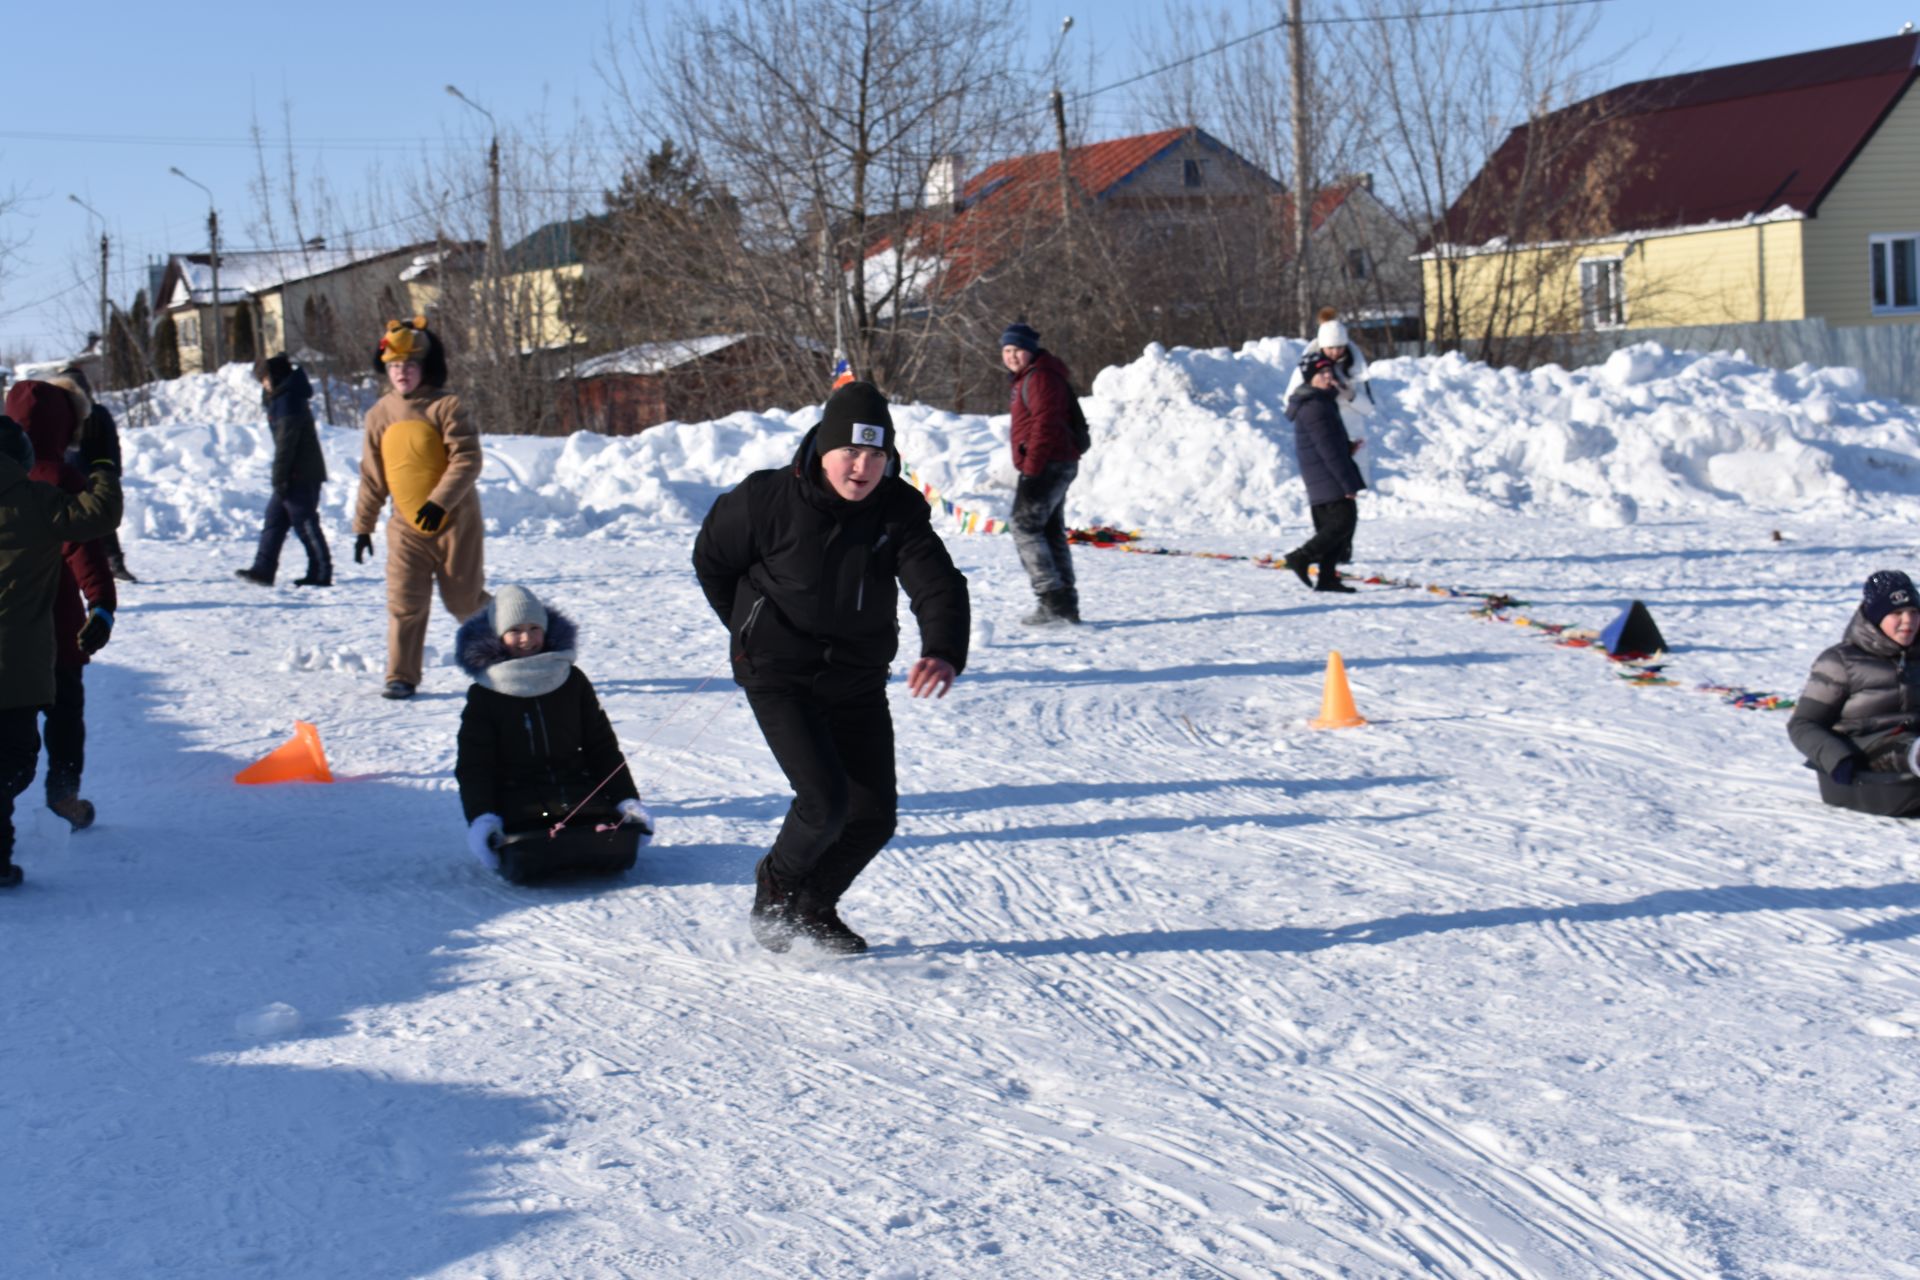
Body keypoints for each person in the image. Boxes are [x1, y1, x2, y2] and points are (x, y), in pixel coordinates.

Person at [692, 381, 970, 954]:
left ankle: (813, 905)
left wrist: (941, 648)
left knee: (873, 817)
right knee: (824, 803)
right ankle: (775, 886)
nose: (862, 466)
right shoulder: (764, 500)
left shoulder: (898, 512)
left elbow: (937, 584)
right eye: (851, 451)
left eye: (876, 455)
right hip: (778, 675)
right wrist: (747, 628)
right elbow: (713, 561)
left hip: (857, 678)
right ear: (822, 449)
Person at [455, 584, 653, 883]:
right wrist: (483, 817)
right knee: (529, 849)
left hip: (578, 797)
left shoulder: (571, 680)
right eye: (515, 630)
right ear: (498, 635)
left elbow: (601, 746)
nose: (526, 639)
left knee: (610, 841)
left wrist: (626, 800)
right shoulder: (486, 693)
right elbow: (475, 765)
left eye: (535, 628)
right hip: (516, 806)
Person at [0, 412, 123, 888]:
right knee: (13, 760)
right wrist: (103, 464)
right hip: (16, 668)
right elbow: (100, 515)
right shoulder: (37, 502)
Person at [351, 317, 488, 700]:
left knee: (464, 600)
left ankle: (513, 640)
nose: (402, 373)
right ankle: (401, 675)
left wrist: (439, 502)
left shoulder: (447, 406)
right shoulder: (379, 415)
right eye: (395, 367)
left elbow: (467, 460)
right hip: (406, 528)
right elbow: (373, 477)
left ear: (424, 367)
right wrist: (363, 526)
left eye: (409, 366)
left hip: (455, 524)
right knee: (404, 603)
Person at [1788, 570, 1920, 817]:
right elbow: (1803, 723)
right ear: (1875, 618)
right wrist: (1837, 758)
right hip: (1866, 751)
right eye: (1896, 613)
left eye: (1914, 612)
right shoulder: (1841, 662)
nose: (1908, 621)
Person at [1001, 321, 1083, 625]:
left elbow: (1045, 424)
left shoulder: (1039, 378)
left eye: (1017, 350)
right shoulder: (1031, 377)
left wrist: (1032, 466)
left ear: (1030, 351)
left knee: (1024, 526)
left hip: (1048, 463)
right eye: (1007, 350)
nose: (1011, 356)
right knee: (1048, 530)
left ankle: (1052, 600)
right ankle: (1066, 603)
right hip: (1055, 461)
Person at [236, 352, 333, 588]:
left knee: (305, 522)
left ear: (276, 376)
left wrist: (279, 476)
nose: (263, 384)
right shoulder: (281, 398)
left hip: (301, 473)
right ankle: (263, 570)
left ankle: (321, 571)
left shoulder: (288, 400)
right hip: (292, 472)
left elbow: (286, 444)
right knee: (275, 519)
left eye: (265, 379)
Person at [1281, 351, 1367, 595]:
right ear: (1310, 378)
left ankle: (1327, 578)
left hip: (1322, 475)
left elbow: (1327, 444)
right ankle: (1301, 557)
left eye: (1329, 371)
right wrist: (1348, 485)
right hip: (1328, 477)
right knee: (1343, 522)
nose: (1328, 376)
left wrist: (1348, 447)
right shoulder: (1315, 406)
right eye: (1322, 373)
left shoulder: (1320, 401)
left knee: (1335, 526)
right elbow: (1329, 452)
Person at [60, 365, 137, 583]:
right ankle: (75, 566)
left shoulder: (98, 412)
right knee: (74, 525)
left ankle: (114, 562)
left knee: (101, 522)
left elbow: (112, 443)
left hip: (96, 476)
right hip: (69, 478)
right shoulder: (62, 414)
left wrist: (113, 472)